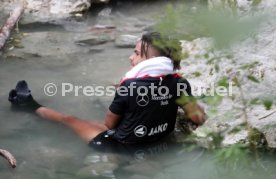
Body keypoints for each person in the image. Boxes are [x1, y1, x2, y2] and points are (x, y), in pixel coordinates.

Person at [8, 31, 205, 152]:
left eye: (137, 53)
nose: (131, 57)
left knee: (69, 119)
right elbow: (197, 118)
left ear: (153, 61)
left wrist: (124, 94)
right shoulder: (180, 83)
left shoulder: (129, 87)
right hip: (159, 142)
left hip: (122, 146)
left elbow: (109, 124)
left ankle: (27, 105)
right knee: (94, 125)